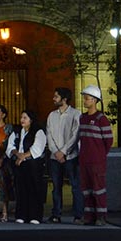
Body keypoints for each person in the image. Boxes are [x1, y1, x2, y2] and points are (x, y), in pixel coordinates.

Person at [46, 86, 83, 224]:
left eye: (56, 96)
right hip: (55, 157)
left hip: (71, 156)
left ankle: (78, 215)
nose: (53, 99)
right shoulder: (52, 115)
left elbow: (75, 135)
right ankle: (56, 213)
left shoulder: (75, 114)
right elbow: (49, 135)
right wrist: (56, 151)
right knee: (56, 186)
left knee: (75, 185)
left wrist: (64, 151)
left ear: (64, 99)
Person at [79, 84, 114, 226]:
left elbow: (108, 141)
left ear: (94, 100)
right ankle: (89, 216)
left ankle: (101, 217)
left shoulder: (101, 119)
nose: (84, 101)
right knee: (86, 190)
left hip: (96, 161)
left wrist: (100, 155)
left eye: (87, 98)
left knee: (98, 189)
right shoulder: (82, 118)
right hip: (84, 160)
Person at [6, 109, 47, 224]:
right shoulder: (17, 131)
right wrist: (17, 154)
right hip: (20, 165)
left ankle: (35, 216)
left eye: (25, 118)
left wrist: (23, 156)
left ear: (31, 120)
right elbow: (10, 146)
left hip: (33, 165)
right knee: (21, 189)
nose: (22, 120)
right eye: (21, 117)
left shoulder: (38, 132)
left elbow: (37, 148)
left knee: (34, 189)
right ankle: (21, 215)